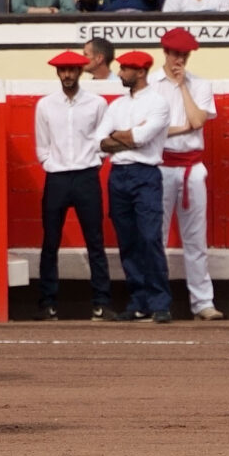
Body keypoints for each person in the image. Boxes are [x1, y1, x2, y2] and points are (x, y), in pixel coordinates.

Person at [31, 49, 110, 319]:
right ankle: (47, 302)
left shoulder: (97, 103)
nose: (67, 75)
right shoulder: (45, 105)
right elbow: (42, 145)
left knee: (95, 242)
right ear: (57, 72)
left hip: (87, 175)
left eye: (71, 70)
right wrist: (49, 163)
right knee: (50, 241)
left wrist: (96, 161)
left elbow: (104, 140)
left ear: (79, 72)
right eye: (62, 70)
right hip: (57, 177)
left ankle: (102, 302)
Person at [97, 49, 174, 321]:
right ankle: (140, 301)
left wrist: (117, 138)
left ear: (140, 72)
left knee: (150, 238)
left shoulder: (158, 103)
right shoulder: (116, 105)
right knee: (128, 240)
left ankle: (159, 302)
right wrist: (125, 137)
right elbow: (100, 141)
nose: (120, 73)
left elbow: (140, 139)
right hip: (119, 174)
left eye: (125, 69)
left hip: (145, 174)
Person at [153, 27, 221, 319]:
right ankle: (158, 300)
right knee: (156, 237)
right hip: (161, 166)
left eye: (185, 54)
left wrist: (182, 87)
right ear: (165, 53)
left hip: (192, 168)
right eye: (175, 53)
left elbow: (198, 120)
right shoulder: (150, 85)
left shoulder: (199, 85)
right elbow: (152, 130)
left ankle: (203, 303)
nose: (180, 59)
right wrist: (183, 128)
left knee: (196, 238)